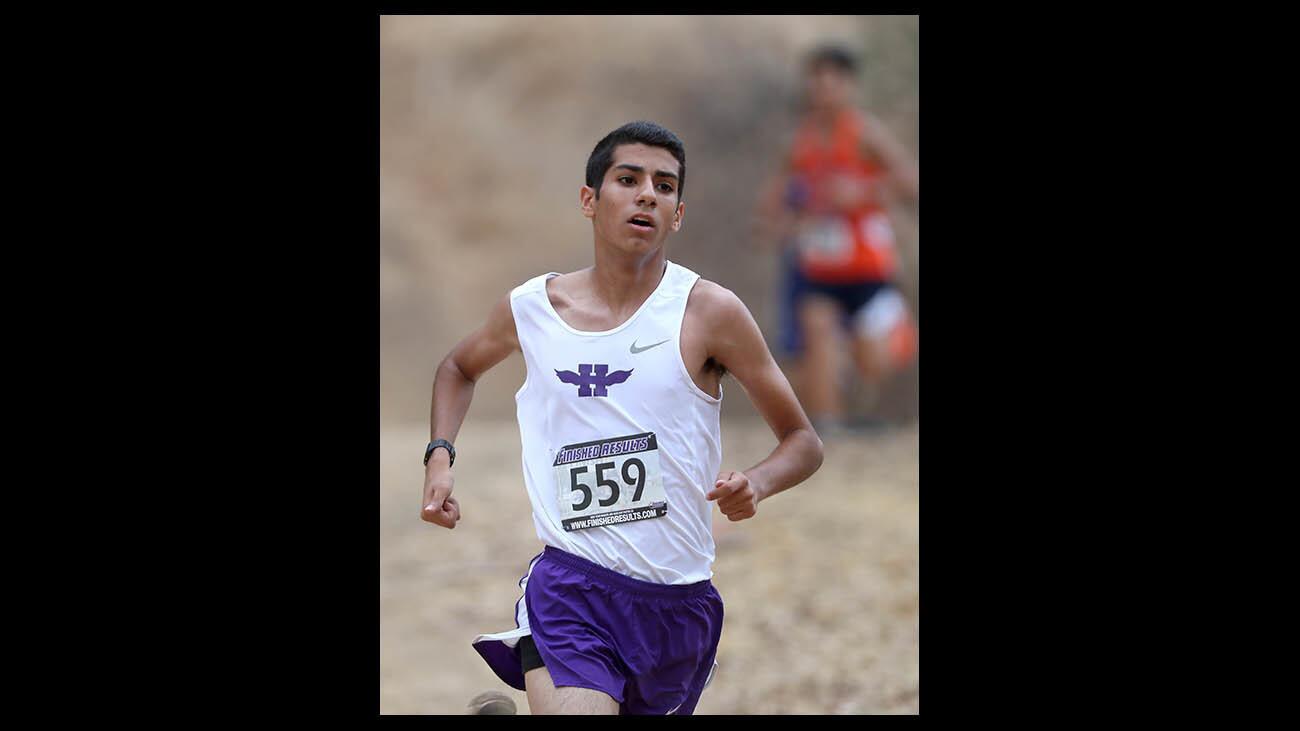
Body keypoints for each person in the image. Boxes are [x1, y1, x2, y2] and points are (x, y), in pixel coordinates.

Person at [420, 121, 824, 715]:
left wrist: (756, 483)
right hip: (570, 588)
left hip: (678, 607)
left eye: (664, 187)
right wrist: (439, 459)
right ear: (590, 200)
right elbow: (458, 366)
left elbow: (803, 441)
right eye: (628, 180)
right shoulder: (532, 309)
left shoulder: (708, 313)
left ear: (678, 213)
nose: (646, 195)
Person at [755, 44, 920, 432]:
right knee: (816, 329)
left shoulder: (864, 135)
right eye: (817, 82)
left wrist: (862, 191)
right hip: (820, 270)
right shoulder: (798, 144)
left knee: (875, 361)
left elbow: (910, 183)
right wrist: (783, 224)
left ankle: (880, 353)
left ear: (849, 87)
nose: (824, 91)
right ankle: (829, 433)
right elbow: (770, 208)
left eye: (833, 82)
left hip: (868, 269)